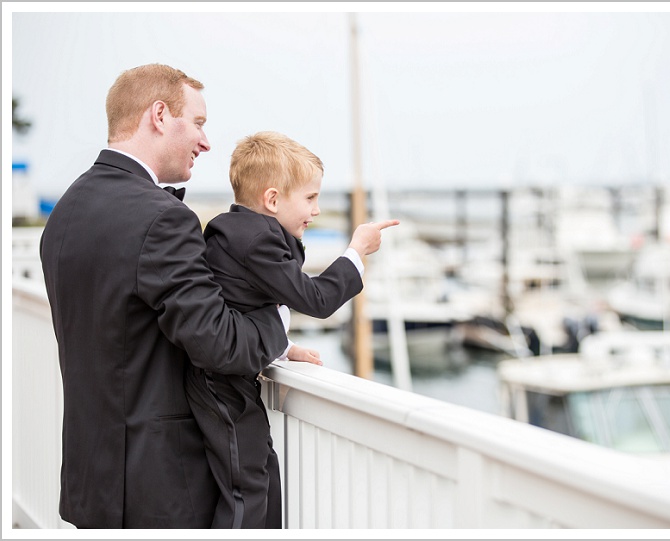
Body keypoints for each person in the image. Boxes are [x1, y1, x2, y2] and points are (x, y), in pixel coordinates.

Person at [38, 64, 291, 528]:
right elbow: (222, 346)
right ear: (159, 115)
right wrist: (278, 316)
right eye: (198, 123)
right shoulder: (162, 218)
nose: (206, 141)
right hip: (160, 489)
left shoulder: (67, 209)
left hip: (93, 477)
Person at [186, 130, 399, 528]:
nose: (316, 210)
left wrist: (282, 348)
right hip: (221, 382)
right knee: (246, 487)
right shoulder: (257, 241)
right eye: (310, 198)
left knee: (259, 474)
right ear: (272, 200)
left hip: (223, 378)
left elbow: (243, 302)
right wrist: (355, 253)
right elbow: (315, 300)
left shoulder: (238, 233)